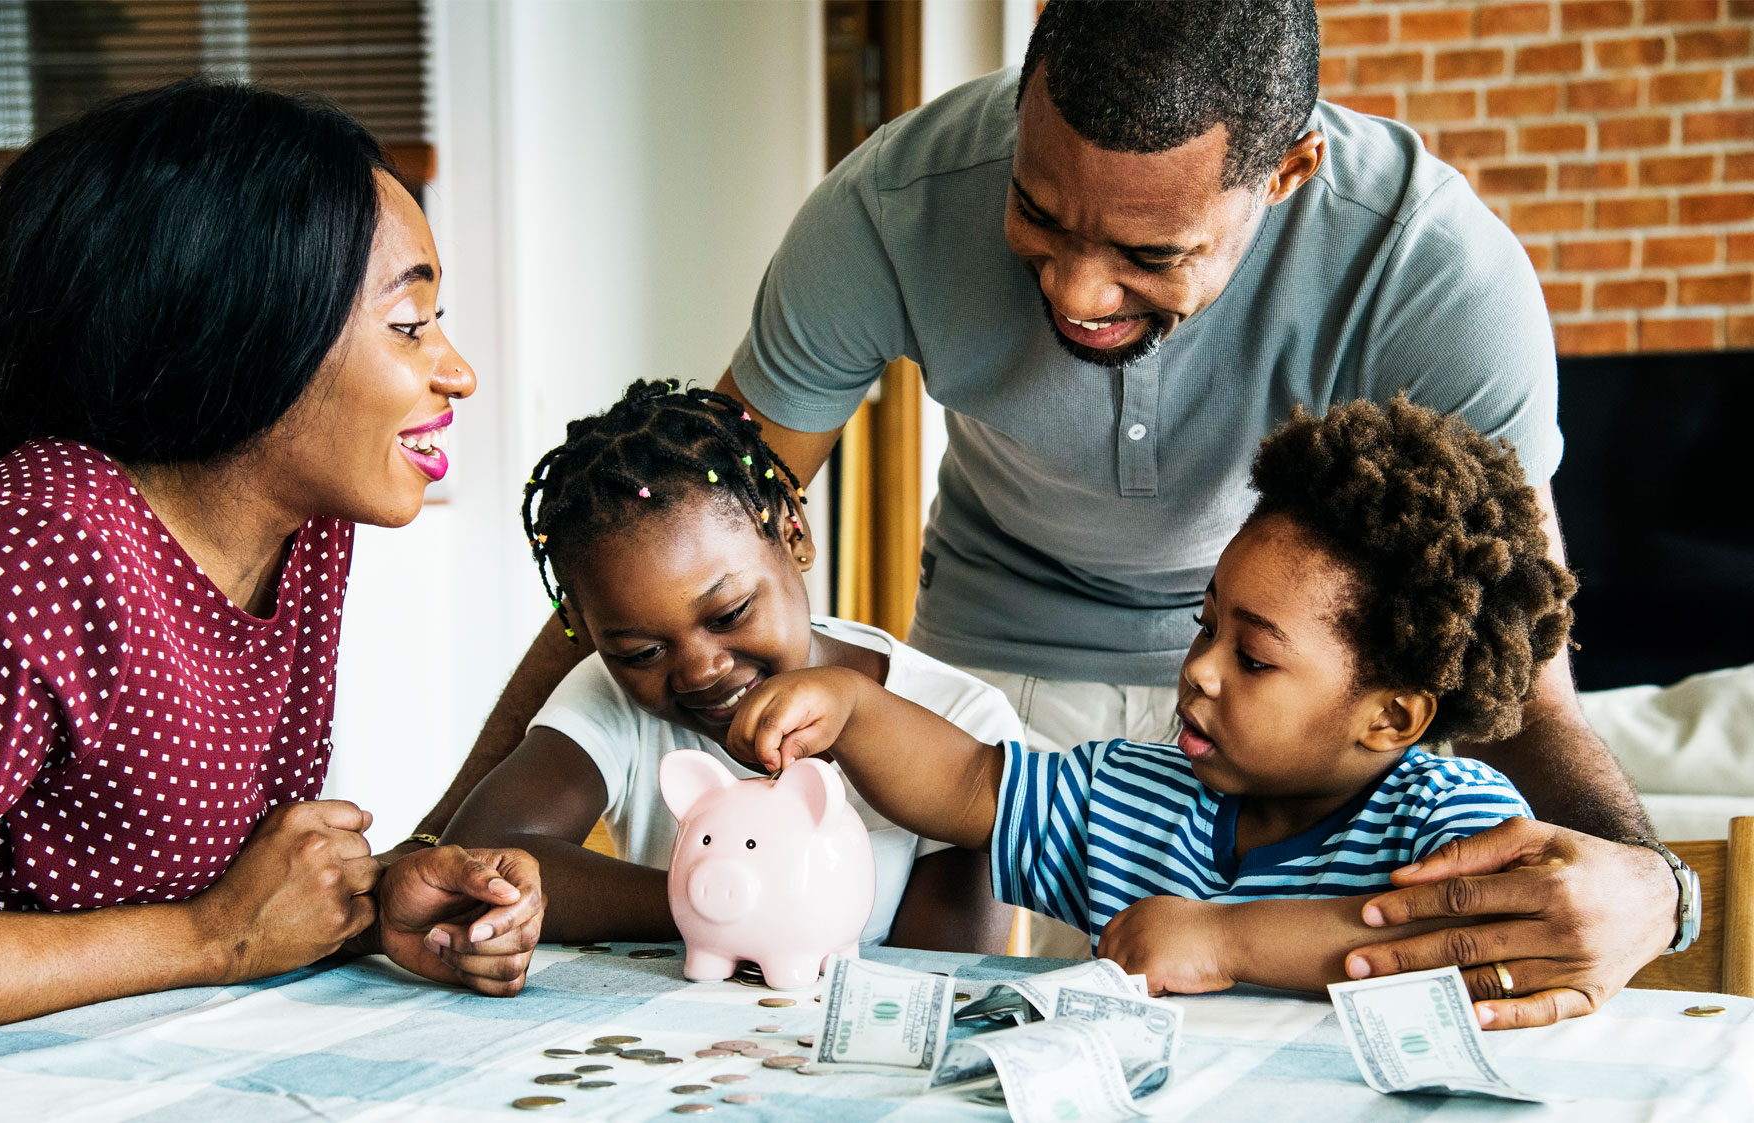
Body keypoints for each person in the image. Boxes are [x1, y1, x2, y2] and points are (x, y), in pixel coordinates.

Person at [396, 0, 1687, 1029]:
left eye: (1150, 255)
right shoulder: (888, 209)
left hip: (1294, 701)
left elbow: (1529, 692)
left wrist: (1655, 882)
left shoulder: (1436, 276)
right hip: (986, 685)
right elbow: (671, 525)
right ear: (1022, 105)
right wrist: (439, 842)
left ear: (1289, 172)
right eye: (1039, 211)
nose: (1075, 289)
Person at [0, 81, 542, 1081]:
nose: (456, 371)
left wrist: (370, 901)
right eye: (407, 324)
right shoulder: (34, 539)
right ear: (246, 326)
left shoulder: (303, 534)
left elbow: (214, 892)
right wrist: (211, 938)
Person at [733, 398, 1574, 1006]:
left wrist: (1223, 939)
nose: (1201, 670)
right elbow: (968, 787)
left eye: (1252, 657)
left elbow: (1453, 946)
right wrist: (851, 708)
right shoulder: (1134, 795)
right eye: (1205, 627)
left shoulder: (1451, 820)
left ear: (1391, 717)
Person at [437, 380, 1021, 951]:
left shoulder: (961, 720)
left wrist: (736, 903)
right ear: (588, 632)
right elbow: (478, 856)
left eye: (730, 612)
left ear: (793, 533)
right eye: (642, 652)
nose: (699, 671)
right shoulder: (609, 693)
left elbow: (944, 974)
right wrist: (708, 900)